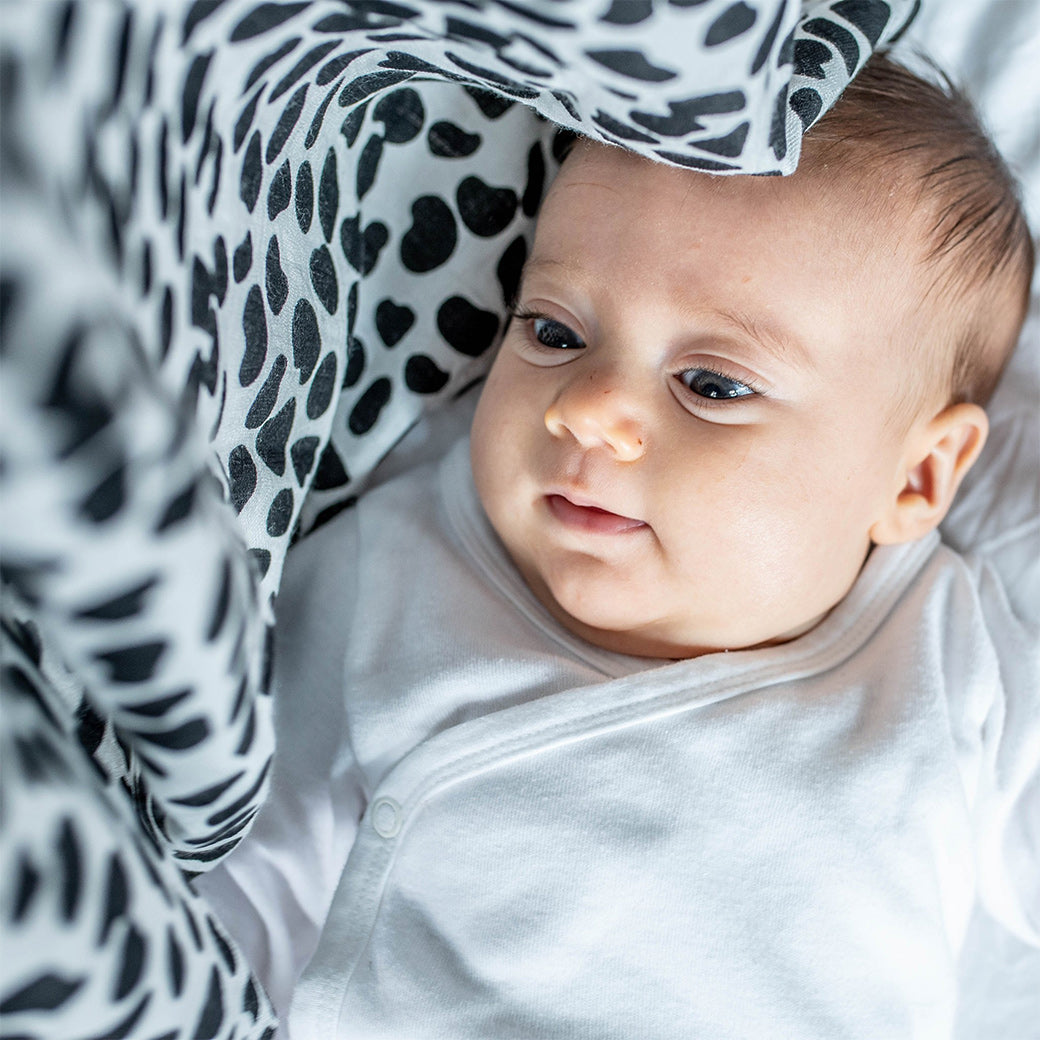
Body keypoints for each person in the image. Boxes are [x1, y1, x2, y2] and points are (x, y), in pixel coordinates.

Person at [196, 53, 1038, 1038]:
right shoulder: (396, 570)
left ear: (913, 478)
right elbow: (238, 886)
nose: (588, 408)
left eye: (712, 385)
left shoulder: (946, 664)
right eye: (552, 330)